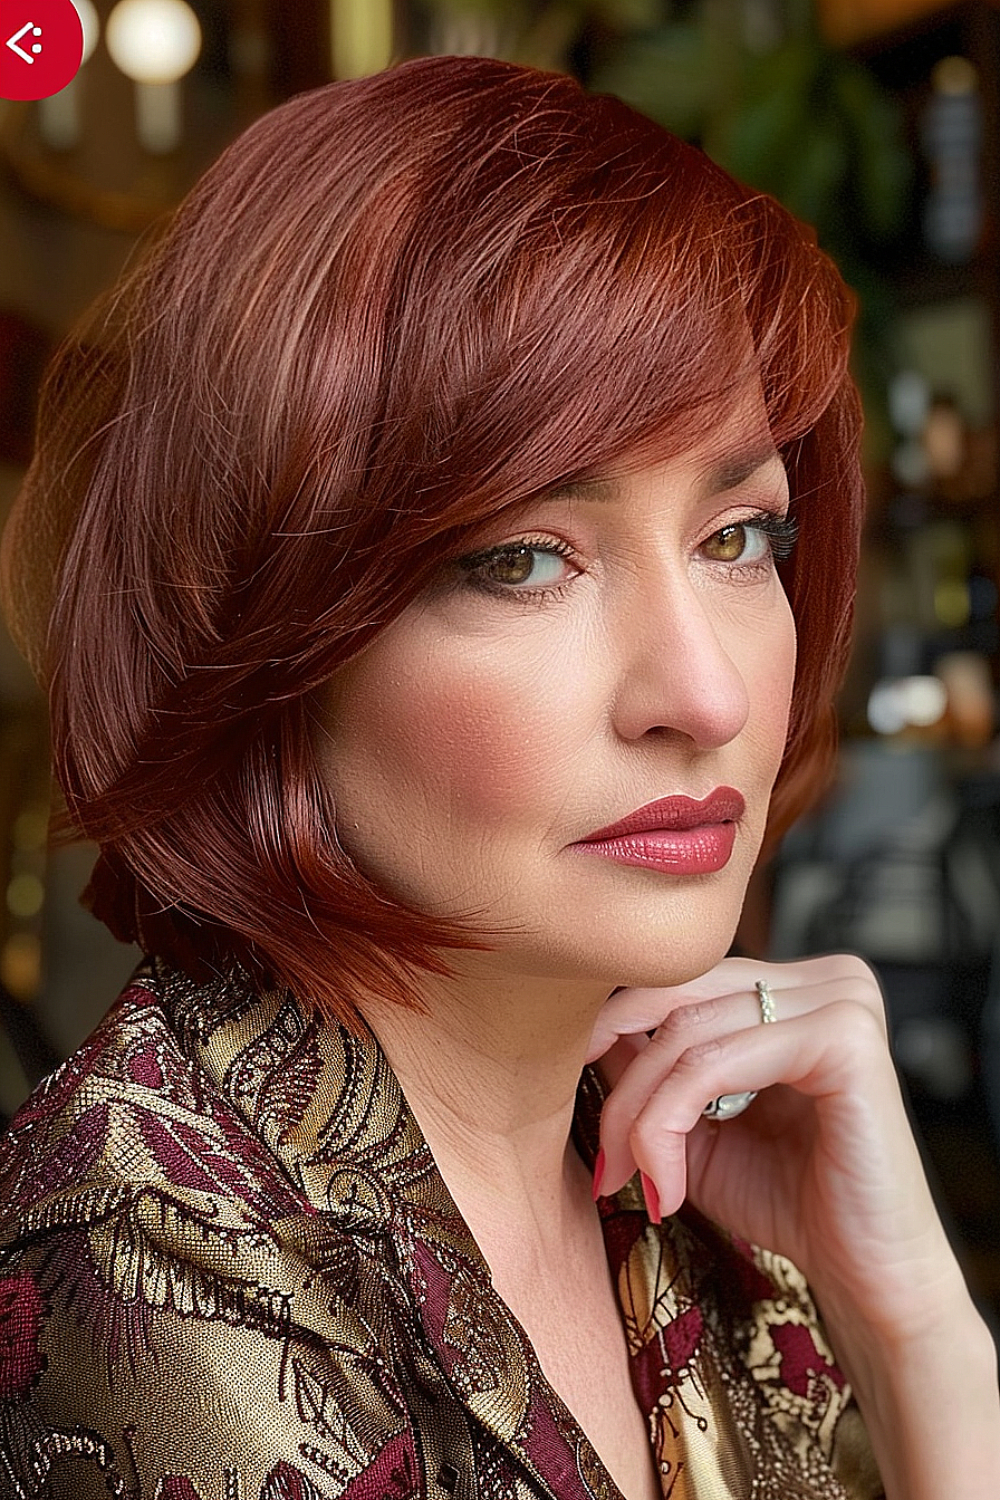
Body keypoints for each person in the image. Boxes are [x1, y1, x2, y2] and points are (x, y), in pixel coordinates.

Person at [0, 53, 997, 1500]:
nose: (705, 694)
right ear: (269, 632)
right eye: (524, 559)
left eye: (738, 537)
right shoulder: (148, 1244)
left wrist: (922, 1345)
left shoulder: (679, 1166)